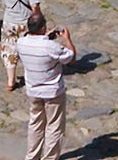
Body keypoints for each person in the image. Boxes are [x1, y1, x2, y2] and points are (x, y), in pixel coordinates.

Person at [18, 9, 76, 160]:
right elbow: (71, 57)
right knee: (54, 127)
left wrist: (45, 37)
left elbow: (35, 43)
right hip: (52, 92)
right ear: (43, 27)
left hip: (33, 91)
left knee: (35, 124)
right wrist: (67, 39)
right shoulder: (51, 47)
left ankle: (32, 156)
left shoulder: (21, 43)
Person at [1, 0, 42, 91]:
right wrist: (38, 16)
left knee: (9, 51)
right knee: (28, 50)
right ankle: (32, 76)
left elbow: (4, 5)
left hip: (9, 22)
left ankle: (10, 80)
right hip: (24, 23)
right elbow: (34, 5)